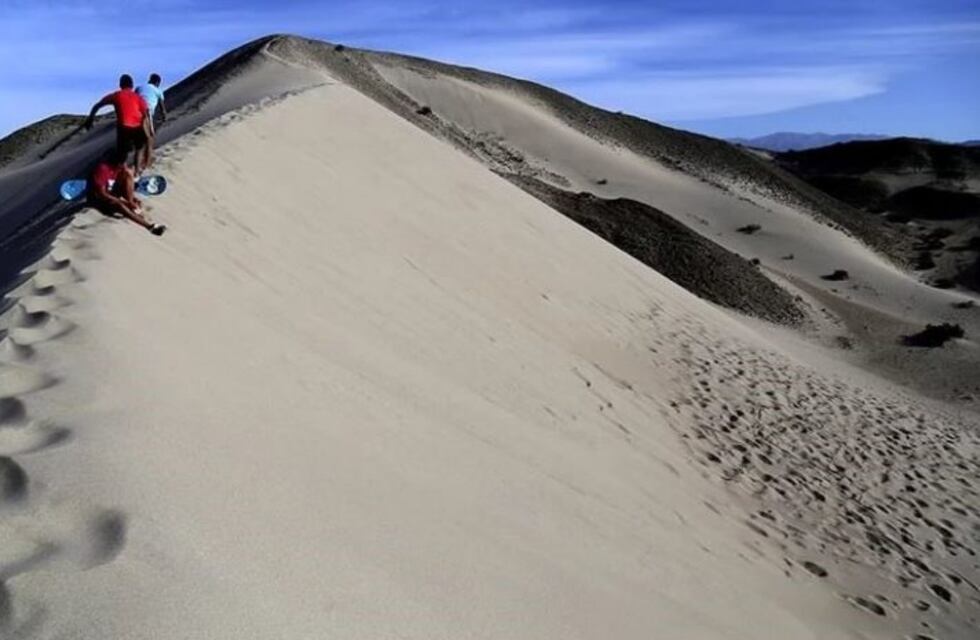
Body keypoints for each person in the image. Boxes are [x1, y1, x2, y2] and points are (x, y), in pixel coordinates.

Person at [87, 149, 166, 236]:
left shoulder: (120, 168)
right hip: (100, 200)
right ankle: (149, 226)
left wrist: (131, 199)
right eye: (121, 164)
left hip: (112, 191)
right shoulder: (102, 170)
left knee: (128, 173)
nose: (123, 166)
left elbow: (123, 180)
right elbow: (102, 194)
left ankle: (134, 207)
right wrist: (122, 201)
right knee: (120, 206)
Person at [84, 74, 149, 172]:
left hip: (124, 127)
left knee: (122, 153)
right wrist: (147, 130)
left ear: (120, 85)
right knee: (139, 148)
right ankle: (136, 171)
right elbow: (146, 114)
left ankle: (121, 172)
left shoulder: (116, 95)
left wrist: (90, 119)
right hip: (137, 126)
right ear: (132, 85)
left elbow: (97, 106)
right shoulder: (138, 97)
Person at [136, 73, 167, 173]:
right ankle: (147, 163)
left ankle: (138, 165)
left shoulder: (139, 87)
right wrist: (164, 116)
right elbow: (162, 107)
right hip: (146, 113)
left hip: (135, 113)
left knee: (140, 141)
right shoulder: (158, 90)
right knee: (149, 138)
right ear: (157, 82)